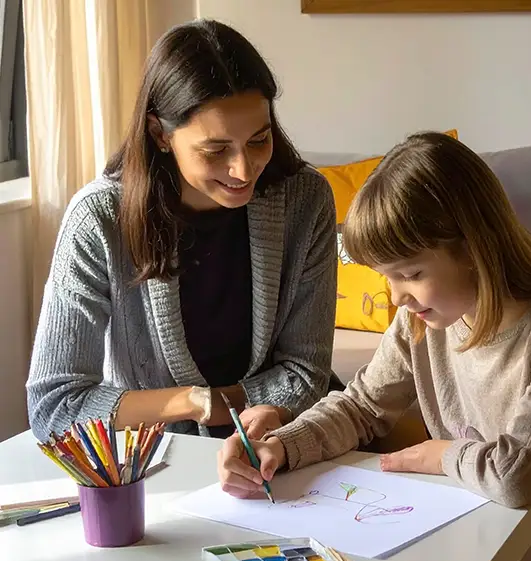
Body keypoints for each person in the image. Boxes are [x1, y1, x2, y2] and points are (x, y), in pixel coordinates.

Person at [217, 131, 531, 561]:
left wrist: (441, 454)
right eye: (387, 278)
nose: (396, 296)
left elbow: (517, 477)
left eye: (410, 274)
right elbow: (363, 406)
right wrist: (281, 447)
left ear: (474, 249)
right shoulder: (423, 318)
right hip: (486, 523)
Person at [26, 19, 339, 442]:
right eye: (216, 150)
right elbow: (55, 405)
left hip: (279, 439)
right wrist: (199, 403)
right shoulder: (97, 220)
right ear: (160, 134)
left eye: (259, 140)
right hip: (156, 452)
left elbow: (306, 373)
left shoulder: (305, 200)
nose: (243, 170)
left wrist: (249, 414)